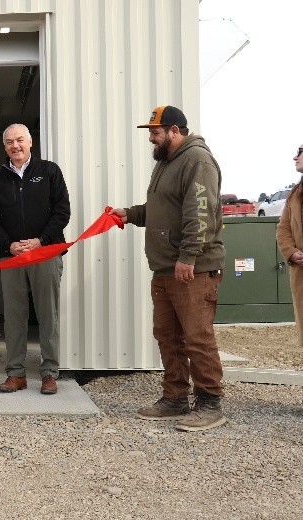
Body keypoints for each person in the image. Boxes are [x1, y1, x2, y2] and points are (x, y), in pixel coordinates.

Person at [110, 105, 226, 432]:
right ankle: (175, 397)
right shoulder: (167, 163)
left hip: (193, 268)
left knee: (197, 337)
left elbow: (200, 212)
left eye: (155, 132)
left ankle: (210, 403)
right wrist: (130, 214)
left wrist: (188, 256)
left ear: (175, 131)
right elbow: (162, 209)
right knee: (167, 335)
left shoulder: (197, 161)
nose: (151, 138)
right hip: (165, 269)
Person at [0, 123, 70, 395]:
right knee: (13, 316)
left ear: (30, 142)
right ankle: (16, 373)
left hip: (45, 252)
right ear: (5, 147)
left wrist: (41, 240)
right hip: (12, 257)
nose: (15, 146)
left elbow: (62, 212)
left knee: (48, 315)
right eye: (9, 142)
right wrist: (8, 244)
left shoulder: (49, 171)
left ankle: (49, 373)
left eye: (19, 140)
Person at [276, 144, 303, 347]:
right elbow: (283, 228)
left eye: (300, 152)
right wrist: (291, 252)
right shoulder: (295, 193)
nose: (295, 157)